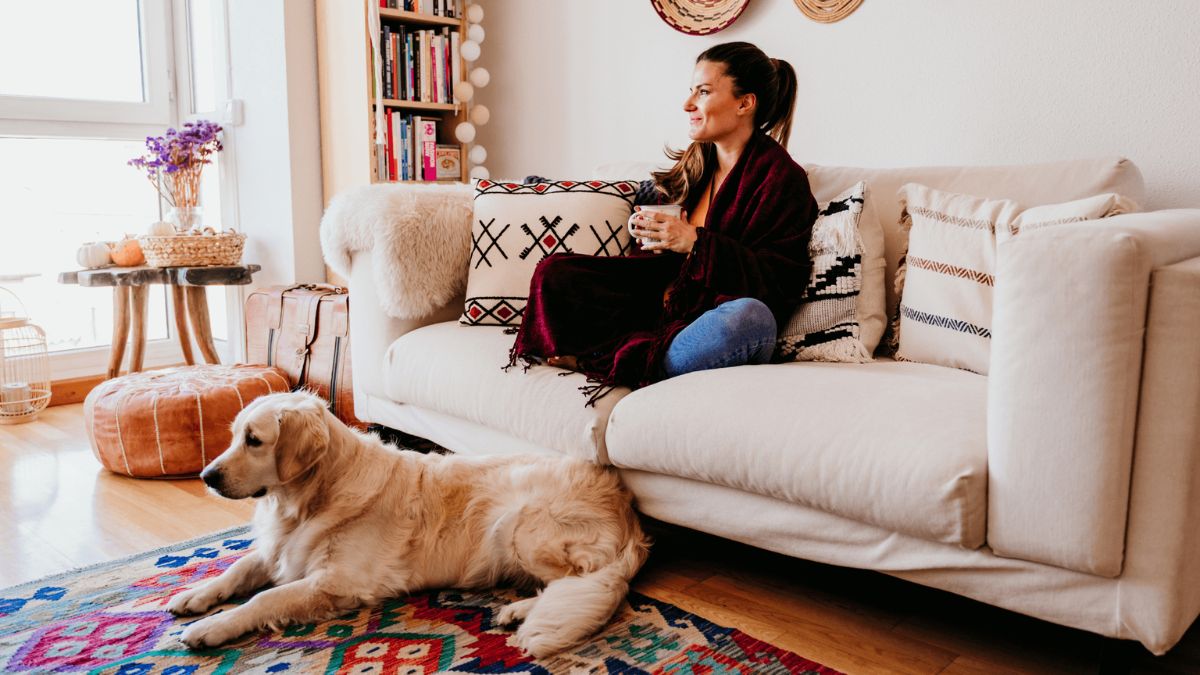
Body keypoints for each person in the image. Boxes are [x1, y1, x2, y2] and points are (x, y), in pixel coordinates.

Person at [507, 41, 818, 404]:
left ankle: (624, 364)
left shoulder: (781, 179)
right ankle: (629, 356)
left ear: (744, 103)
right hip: (662, 306)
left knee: (750, 318)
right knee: (556, 272)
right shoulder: (694, 165)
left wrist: (696, 244)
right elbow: (661, 264)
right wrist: (651, 236)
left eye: (703, 92)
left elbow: (778, 282)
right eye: (691, 91)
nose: (688, 105)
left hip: (716, 319)